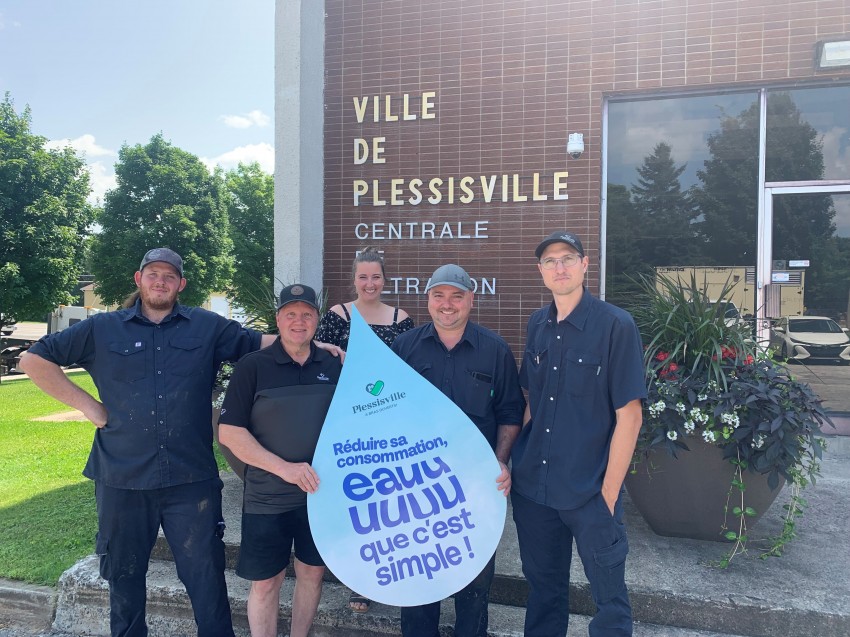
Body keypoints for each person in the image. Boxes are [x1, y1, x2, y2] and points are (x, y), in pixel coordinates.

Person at [19, 247, 279, 637]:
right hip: (121, 478)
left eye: (169, 276)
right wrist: (91, 407)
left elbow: (261, 344)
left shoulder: (207, 326)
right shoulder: (101, 329)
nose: (161, 281)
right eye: (153, 274)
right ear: (139, 279)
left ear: (181, 284)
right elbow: (34, 360)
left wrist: (313, 346)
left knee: (206, 580)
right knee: (124, 580)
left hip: (190, 481)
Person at [510, 231, 647, 637]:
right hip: (536, 490)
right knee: (543, 593)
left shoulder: (615, 326)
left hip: (590, 492)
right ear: (541, 271)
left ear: (585, 264)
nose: (560, 267)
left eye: (568, 258)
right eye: (550, 261)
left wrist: (608, 493)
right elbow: (532, 396)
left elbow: (631, 416)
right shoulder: (538, 323)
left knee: (609, 603)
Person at [390, 263, 525, 637]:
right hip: (415, 486)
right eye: (439, 296)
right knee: (418, 580)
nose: (447, 305)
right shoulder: (404, 347)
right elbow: (388, 413)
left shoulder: (495, 350)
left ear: (471, 301)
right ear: (427, 300)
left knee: (475, 581)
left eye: (456, 296)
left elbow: (511, 412)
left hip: (474, 486)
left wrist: (499, 460)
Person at [217, 284, 341, 637]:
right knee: (267, 581)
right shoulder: (253, 366)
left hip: (321, 494)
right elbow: (230, 433)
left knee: (312, 573)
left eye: (306, 314)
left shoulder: (334, 363)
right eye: (290, 314)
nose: (298, 321)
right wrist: (284, 469)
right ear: (278, 319)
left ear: (317, 319)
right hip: (267, 496)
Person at [314, 246, 414, 613]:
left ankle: (391, 572)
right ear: (353, 279)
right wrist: (333, 350)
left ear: (385, 280)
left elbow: (409, 369)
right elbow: (315, 351)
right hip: (347, 421)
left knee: (388, 503)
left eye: (376, 277)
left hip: (389, 421)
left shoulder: (402, 318)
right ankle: (358, 580)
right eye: (363, 276)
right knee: (355, 503)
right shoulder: (338, 315)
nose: (369, 283)